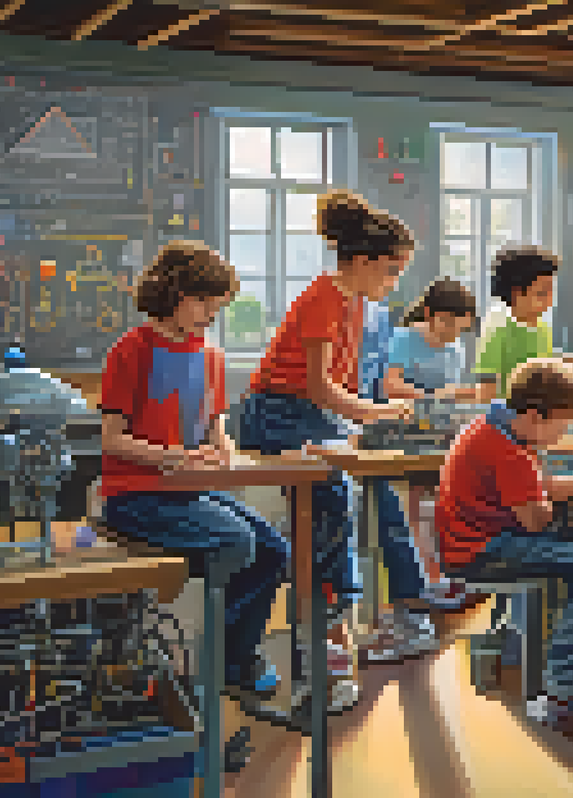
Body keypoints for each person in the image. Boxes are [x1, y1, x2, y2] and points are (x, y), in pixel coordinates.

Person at [235, 189, 414, 714]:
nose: (394, 283)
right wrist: (375, 415)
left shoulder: (357, 305)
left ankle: (332, 621)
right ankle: (327, 628)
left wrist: (369, 415)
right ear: (360, 262)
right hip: (274, 414)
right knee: (335, 495)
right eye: (390, 271)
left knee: (348, 495)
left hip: (311, 415)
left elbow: (340, 392)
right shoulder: (321, 300)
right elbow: (317, 388)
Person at [99, 241, 289, 703]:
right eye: (205, 302)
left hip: (188, 490)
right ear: (174, 293)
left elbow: (212, 420)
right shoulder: (131, 351)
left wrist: (221, 445)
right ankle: (216, 666)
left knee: (273, 550)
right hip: (136, 496)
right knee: (236, 541)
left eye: (218, 305)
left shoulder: (211, 356)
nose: (212, 314)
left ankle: (233, 659)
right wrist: (172, 458)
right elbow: (112, 439)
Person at [437, 358, 573, 723]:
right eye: (562, 426)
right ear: (535, 415)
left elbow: (541, 486)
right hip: (483, 551)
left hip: (475, 540)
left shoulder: (496, 423)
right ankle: (568, 680)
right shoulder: (509, 452)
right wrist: (554, 505)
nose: (562, 437)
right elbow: (536, 519)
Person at [359, 278, 479, 664]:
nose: (451, 337)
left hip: (436, 435)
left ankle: (437, 577)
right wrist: (434, 397)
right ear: (430, 316)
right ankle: (419, 583)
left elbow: (452, 395)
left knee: (438, 503)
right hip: (396, 434)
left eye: (459, 330)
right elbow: (389, 385)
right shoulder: (403, 339)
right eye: (447, 326)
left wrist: (447, 402)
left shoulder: (455, 349)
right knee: (407, 509)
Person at [474, 246, 560, 402]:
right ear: (516, 293)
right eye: (541, 293)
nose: (550, 299)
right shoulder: (496, 327)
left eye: (551, 290)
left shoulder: (542, 327)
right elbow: (487, 391)